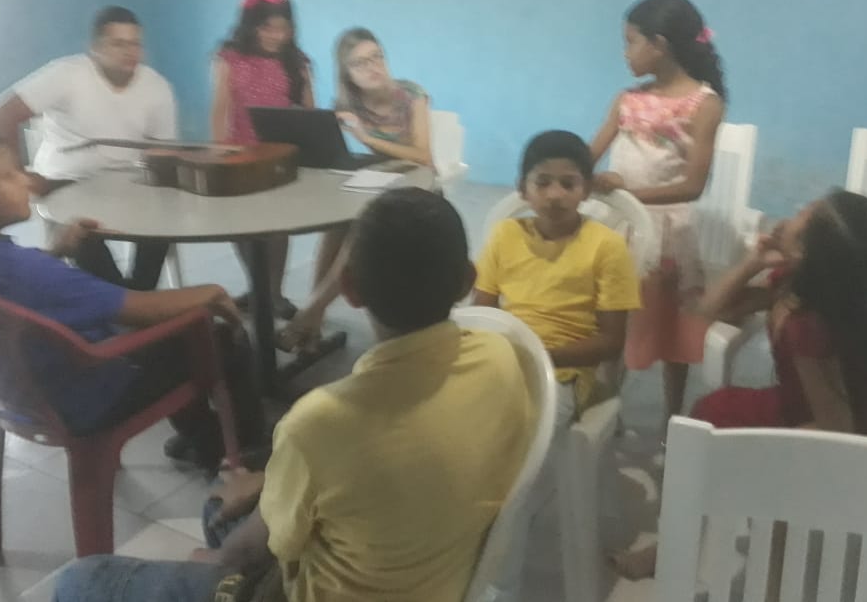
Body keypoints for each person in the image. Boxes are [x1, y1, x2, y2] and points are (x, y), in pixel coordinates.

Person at [53, 187, 533, 602]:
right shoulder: (502, 357)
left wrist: (216, 563)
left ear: (349, 289)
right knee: (228, 498)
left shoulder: (323, 421)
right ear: (466, 281)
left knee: (82, 579)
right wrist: (270, 483)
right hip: (439, 579)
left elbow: (249, 550)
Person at [613, 190, 867, 581]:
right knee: (712, 413)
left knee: (780, 483)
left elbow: (838, 429)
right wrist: (752, 263)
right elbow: (701, 314)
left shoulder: (809, 327)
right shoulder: (796, 286)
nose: (793, 210)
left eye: (804, 212)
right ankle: (678, 542)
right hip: (805, 409)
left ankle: (775, 579)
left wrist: (771, 452)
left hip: (861, 434)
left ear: (806, 252)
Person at [0, 125, 265, 469]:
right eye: (9, 176)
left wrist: (55, 251)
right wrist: (212, 292)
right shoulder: (26, 271)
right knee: (218, 336)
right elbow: (140, 309)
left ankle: (203, 438)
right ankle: (252, 454)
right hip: (88, 397)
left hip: (25, 396)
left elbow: (5, 285)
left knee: (173, 342)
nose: (26, 180)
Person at [589, 0, 725, 434]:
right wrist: (564, 171)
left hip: (667, 233)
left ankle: (672, 418)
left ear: (660, 44)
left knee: (669, 327)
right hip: (620, 229)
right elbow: (590, 155)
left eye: (631, 42)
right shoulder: (627, 99)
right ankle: (605, 411)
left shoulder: (704, 104)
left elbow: (693, 186)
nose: (625, 53)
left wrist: (628, 195)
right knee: (614, 318)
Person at [0, 6, 177, 290]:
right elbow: (3, 114)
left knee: (162, 223)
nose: (130, 52)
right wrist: (18, 176)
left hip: (126, 181)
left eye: (135, 44)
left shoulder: (157, 86)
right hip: (64, 182)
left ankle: (137, 295)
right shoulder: (66, 74)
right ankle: (124, 300)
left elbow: (162, 153)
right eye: (118, 44)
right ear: (95, 48)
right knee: (84, 237)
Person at [474, 130, 642, 427]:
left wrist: (540, 356)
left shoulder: (606, 245)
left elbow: (612, 342)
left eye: (568, 184)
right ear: (522, 189)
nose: (555, 195)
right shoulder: (505, 234)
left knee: (519, 425)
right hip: (504, 358)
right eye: (542, 183)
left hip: (564, 372)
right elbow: (482, 312)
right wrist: (503, 354)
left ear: (586, 190)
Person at [281, 28, 434, 350]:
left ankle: (311, 311)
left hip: (419, 190)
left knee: (362, 227)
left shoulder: (411, 95)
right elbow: (329, 153)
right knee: (337, 223)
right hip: (379, 184)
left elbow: (423, 156)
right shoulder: (349, 103)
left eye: (377, 57)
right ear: (347, 73)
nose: (373, 67)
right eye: (360, 63)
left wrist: (365, 137)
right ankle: (315, 314)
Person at [211, 0, 316, 318]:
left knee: (277, 226)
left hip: (280, 158)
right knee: (238, 225)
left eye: (283, 29)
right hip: (239, 155)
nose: (276, 36)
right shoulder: (230, 58)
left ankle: (273, 293)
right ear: (251, 25)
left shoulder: (296, 62)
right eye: (268, 28)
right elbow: (220, 111)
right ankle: (260, 288)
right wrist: (220, 154)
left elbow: (309, 114)